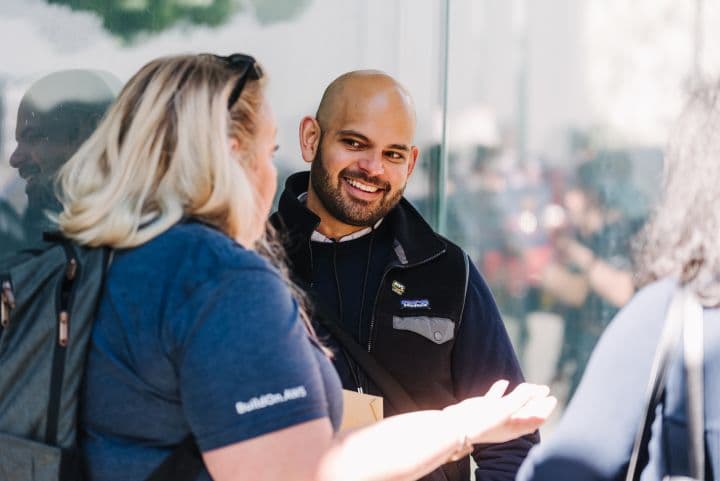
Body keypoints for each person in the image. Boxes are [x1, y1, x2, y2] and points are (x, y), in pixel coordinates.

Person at [56, 53, 556, 481]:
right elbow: (309, 470)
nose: (373, 167)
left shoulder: (100, 260)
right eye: (268, 152)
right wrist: (459, 427)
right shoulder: (230, 275)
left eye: (393, 153)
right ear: (234, 156)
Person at [270, 70, 537, 481]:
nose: (372, 167)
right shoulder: (253, 266)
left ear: (410, 162)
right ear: (311, 139)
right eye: (354, 143)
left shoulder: (447, 271)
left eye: (393, 154)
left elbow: (512, 441)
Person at [516, 84, 720, 480]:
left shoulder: (667, 308)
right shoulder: (578, 238)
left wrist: (551, 264)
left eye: (574, 190)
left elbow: (616, 290)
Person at [5, 69, 117, 249]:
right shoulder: (36, 223)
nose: (14, 159)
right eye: (19, 141)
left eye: (33, 137)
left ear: (91, 132)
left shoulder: (136, 239)